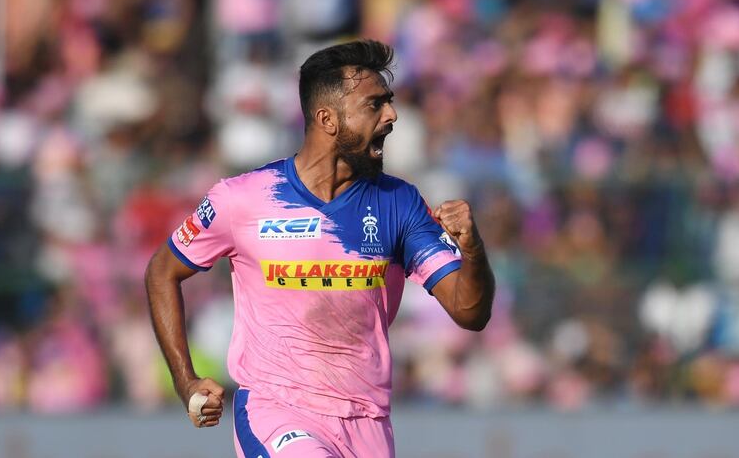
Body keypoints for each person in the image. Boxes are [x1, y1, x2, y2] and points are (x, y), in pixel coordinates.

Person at [145, 40, 495, 458]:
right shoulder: (243, 198)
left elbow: (470, 312)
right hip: (276, 410)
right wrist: (185, 380)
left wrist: (472, 250)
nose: (392, 115)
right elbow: (161, 271)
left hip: (368, 421)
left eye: (390, 102)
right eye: (375, 104)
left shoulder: (400, 203)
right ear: (327, 119)